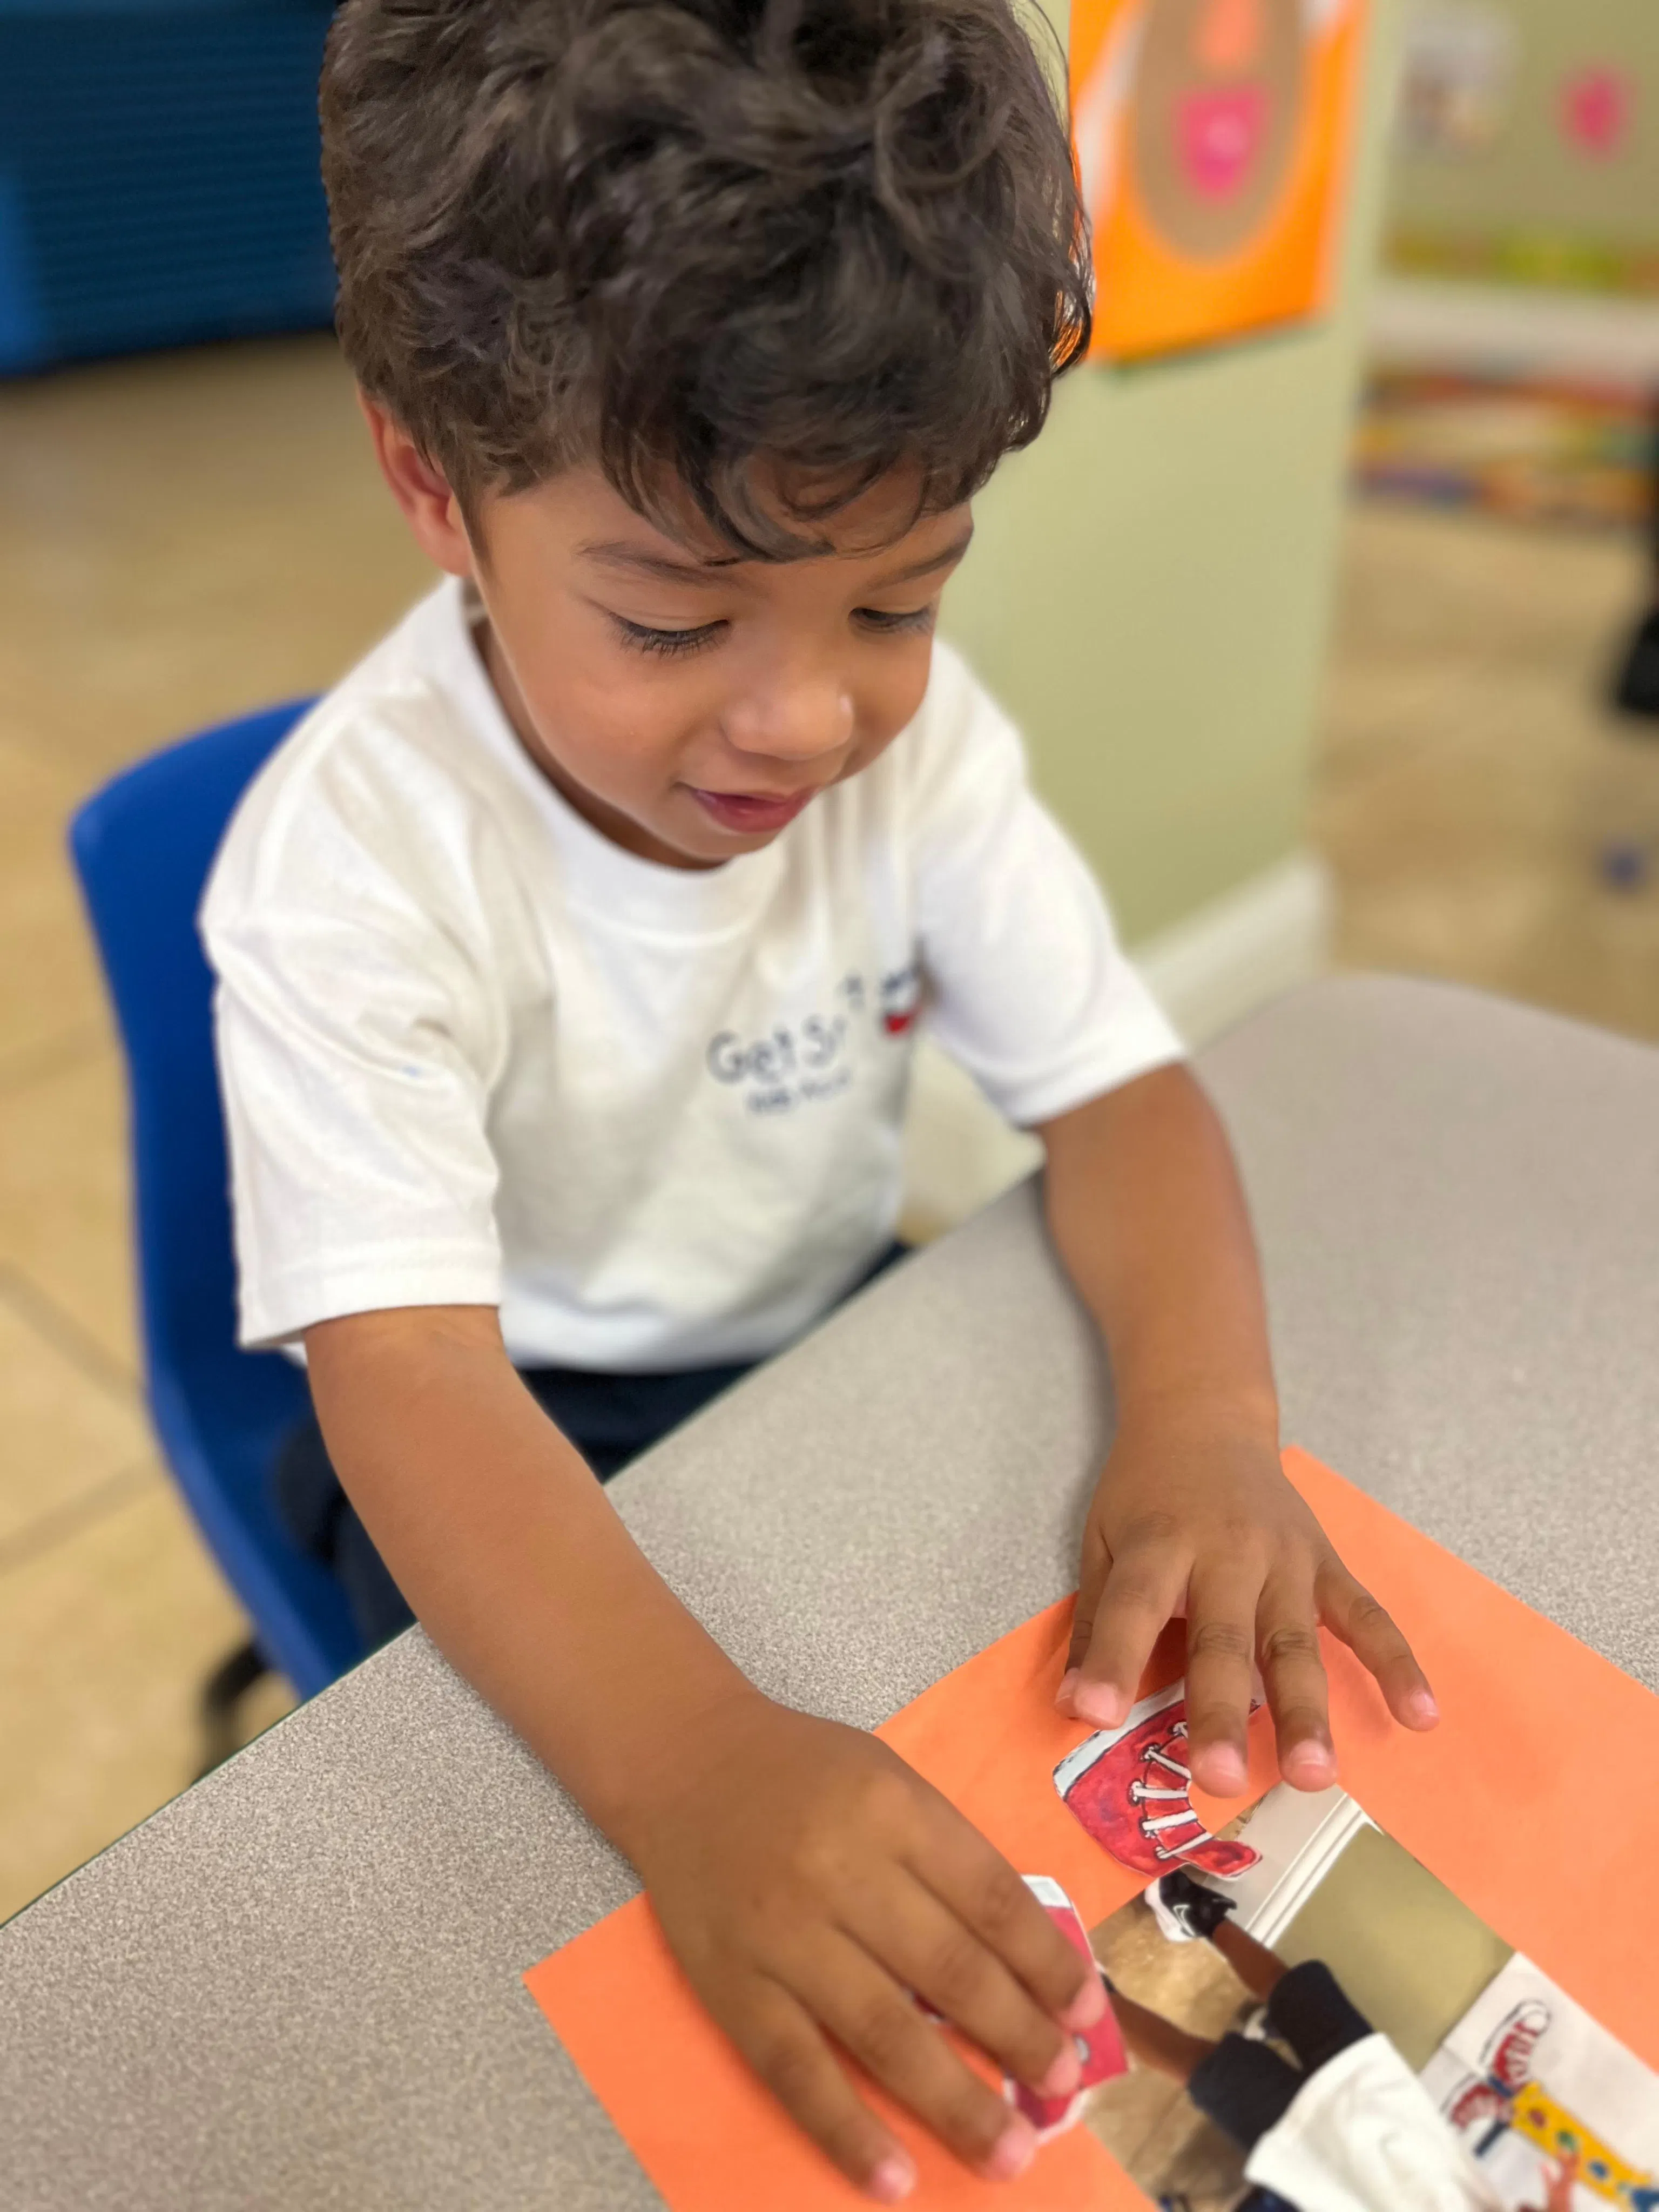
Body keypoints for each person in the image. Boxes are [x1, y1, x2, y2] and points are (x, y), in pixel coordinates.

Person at [200, 1, 1438, 2197]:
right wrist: (693, 1770)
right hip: (514, 1413)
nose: (805, 715)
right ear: (432, 484)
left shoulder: (918, 751)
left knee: (1023, 1720)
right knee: (550, 1970)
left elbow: (1123, 1096)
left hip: (813, 1327)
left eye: (896, 597)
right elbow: (407, 1375)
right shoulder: (350, 870)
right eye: (676, 622)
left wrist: (1208, 1420)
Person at [1116, 1872, 1579, 2212]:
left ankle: (1095, 1999)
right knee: (1295, 1991)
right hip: (1388, 2105)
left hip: (1328, 2157)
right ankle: (1196, 1914)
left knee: (1208, 2066)